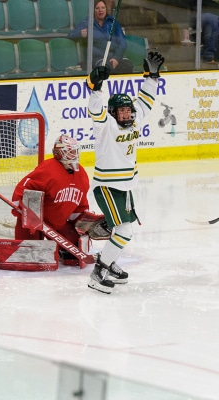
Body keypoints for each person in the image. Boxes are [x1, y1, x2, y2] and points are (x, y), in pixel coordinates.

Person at [86, 51, 165, 294]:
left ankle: (109, 263)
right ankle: (99, 271)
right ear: (113, 113)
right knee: (124, 230)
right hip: (108, 187)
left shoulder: (135, 118)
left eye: (128, 111)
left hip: (126, 187)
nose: (127, 114)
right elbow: (96, 110)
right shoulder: (105, 126)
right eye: (122, 112)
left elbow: (145, 101)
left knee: (123, 229)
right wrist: (95, 86)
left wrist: (151, 76)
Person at [12, 134, 109, 266]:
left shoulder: (81, 175)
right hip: (34, 222)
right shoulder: (48, 168)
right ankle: (30, 243)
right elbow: (25, 187)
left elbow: (78, 209)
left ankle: (61, 251)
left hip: (58, 223)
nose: (74, 155)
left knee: (74, 254)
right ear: (59, 153)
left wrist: (87, 222)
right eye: (70, 152)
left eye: (75, 152)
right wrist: (21, 209)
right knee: (29, 257)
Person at [68, 0, 133, 74]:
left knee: (127, 66)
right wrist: (80, 33)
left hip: (115, 56)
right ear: (93, 10)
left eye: (103, 8)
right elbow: (70, 35)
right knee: (105, 69)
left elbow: (122, 43)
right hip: (98, 58)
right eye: (97, 8)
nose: (100, 10)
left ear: (106, 9)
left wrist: (116, 58)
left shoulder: (113, 23)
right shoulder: (87, 23)